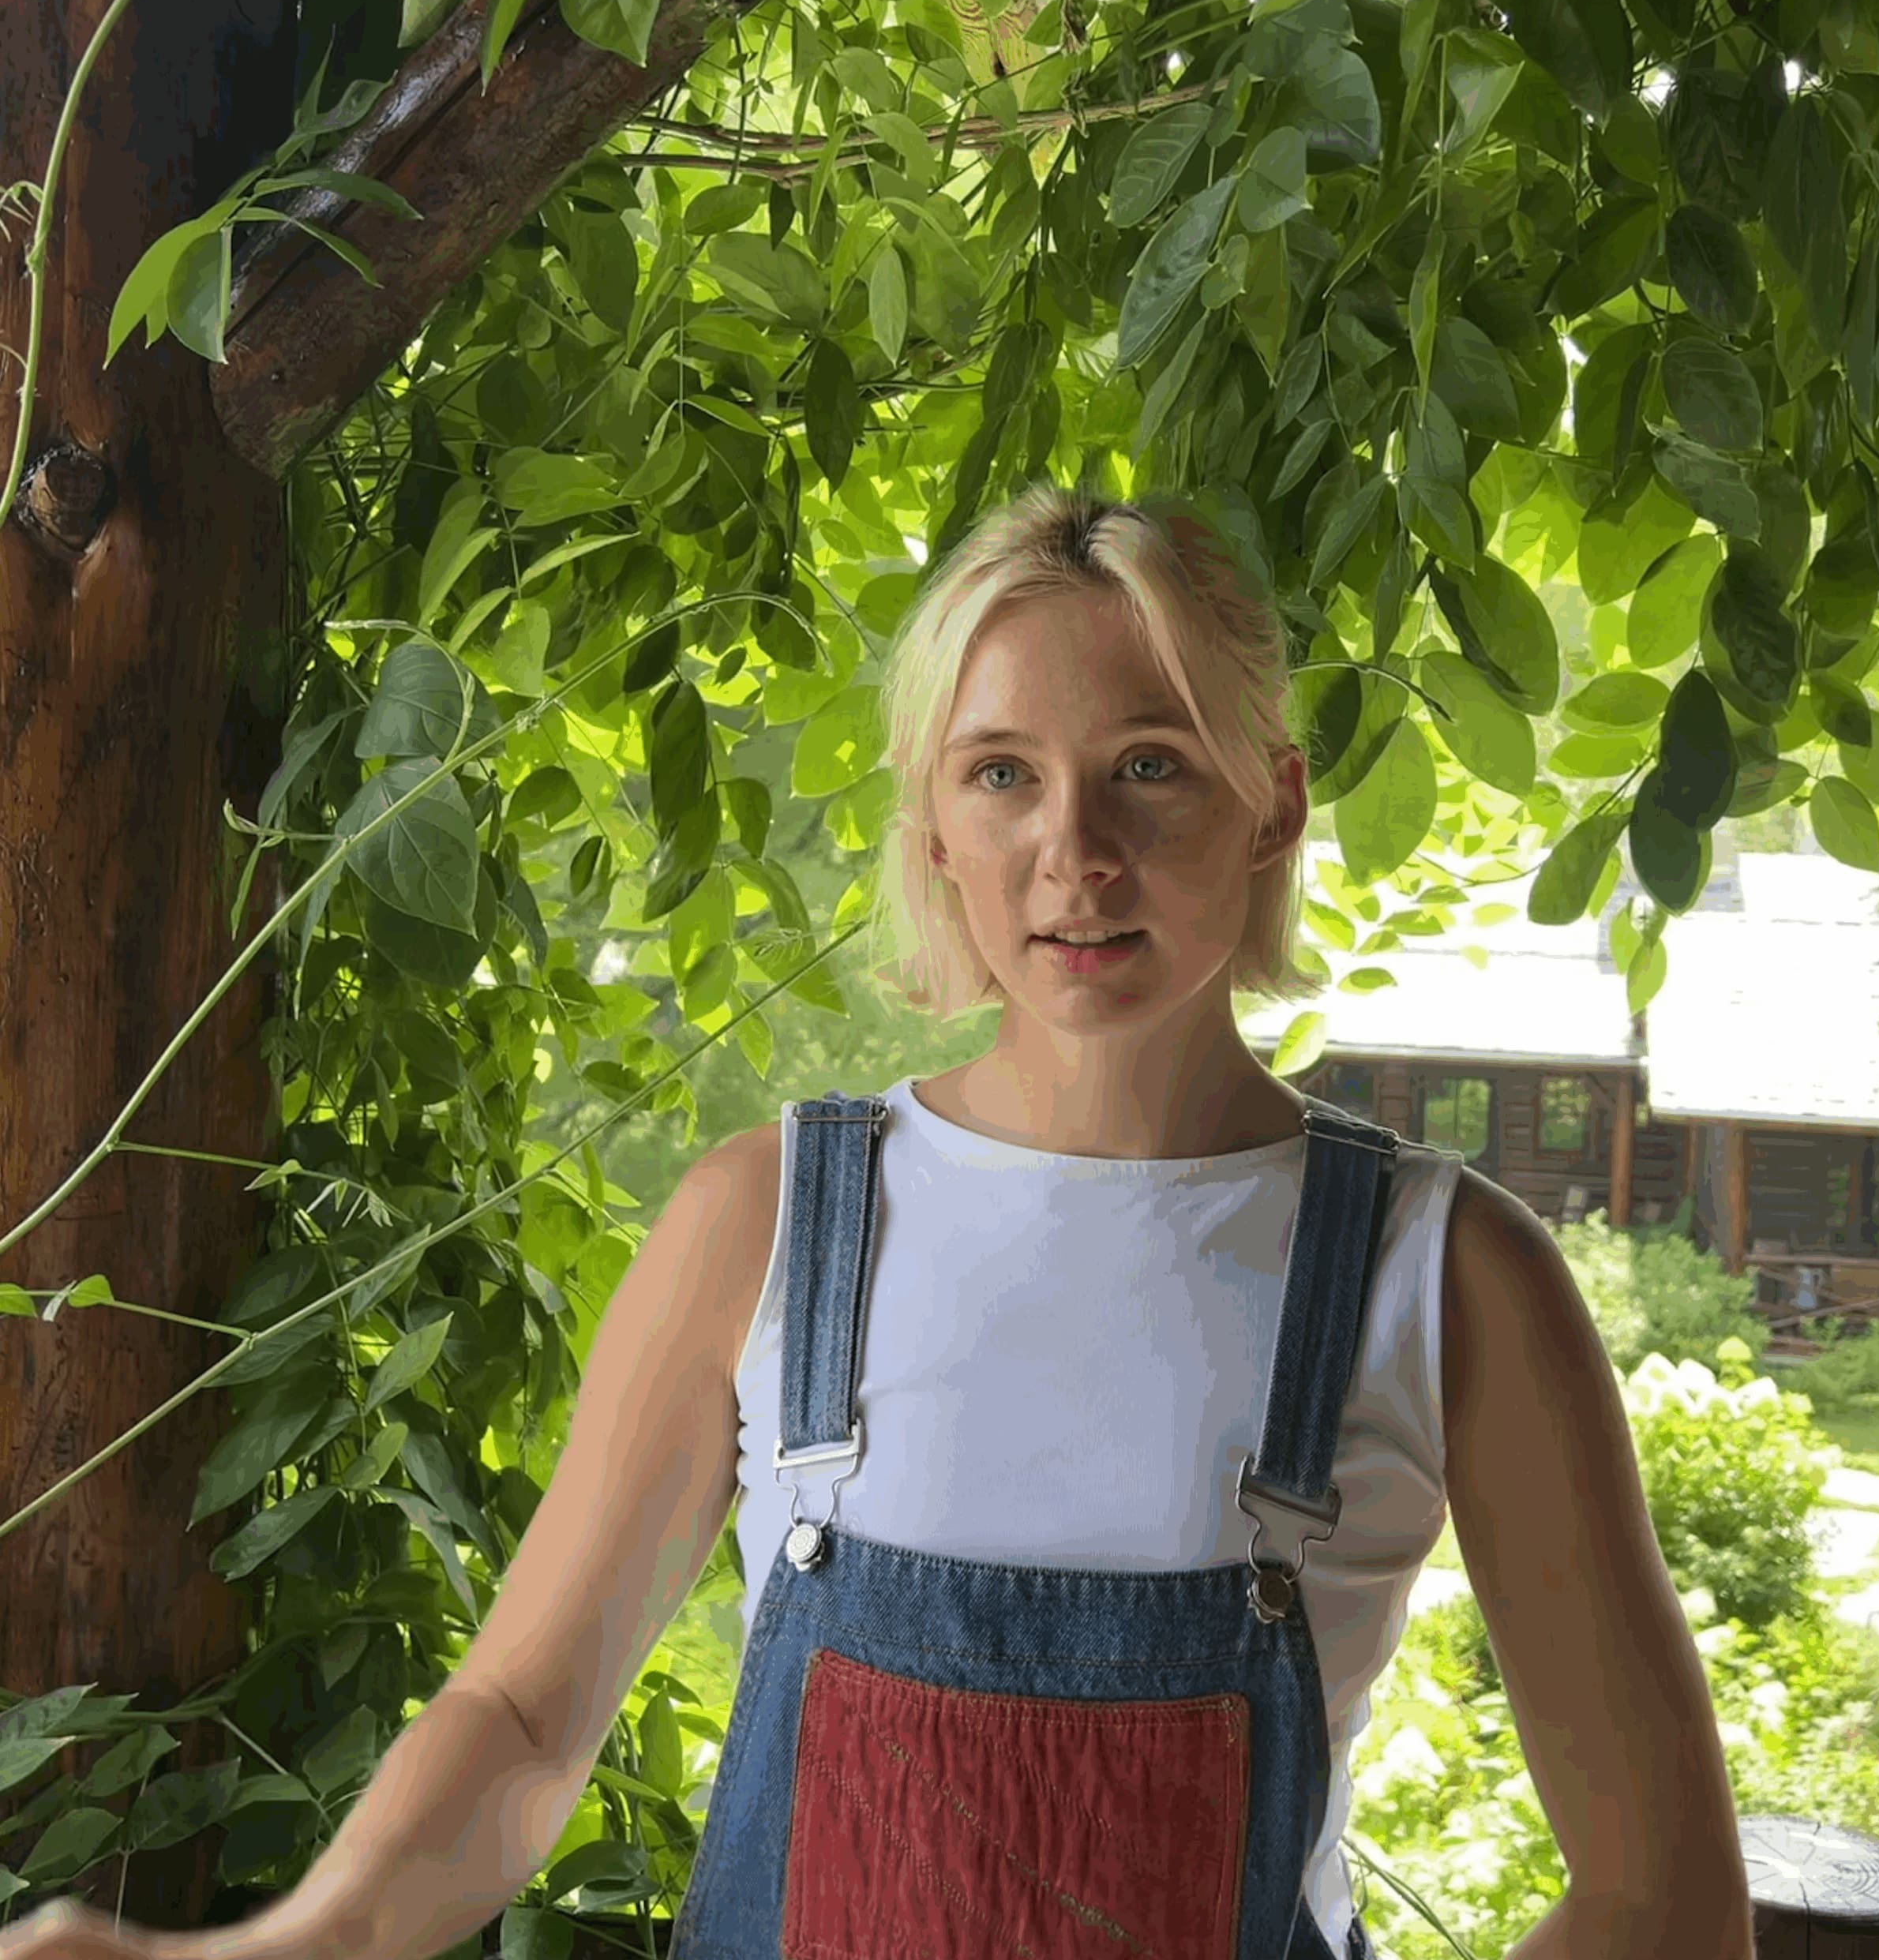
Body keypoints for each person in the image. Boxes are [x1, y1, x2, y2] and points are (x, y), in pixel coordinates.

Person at [0, 484, 1753, 1960]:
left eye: (1148, 764)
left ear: (1270, 799)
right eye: (1000, 774)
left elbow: (1661, 1896)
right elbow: (524, 1725)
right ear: (930, 819)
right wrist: (283, 1945)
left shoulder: (1446, 1273)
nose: (1071, 853)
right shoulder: (758, 1219)